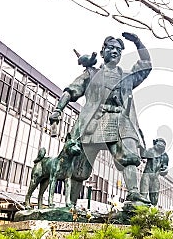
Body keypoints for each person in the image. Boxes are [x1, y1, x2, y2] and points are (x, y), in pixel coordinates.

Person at [49, 32, 152, 206]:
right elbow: (70, 91)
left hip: (119, 121)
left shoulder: (127, 77)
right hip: (93, 122)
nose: (115, 51)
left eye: (118, 49)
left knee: (129, 157)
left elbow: (146, 64)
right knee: (79, 165)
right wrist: (58, 109)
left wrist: (138, 42)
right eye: (110, 48)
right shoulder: (91, 74)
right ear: (102, 52)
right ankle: (70, 205)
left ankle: (134, 195)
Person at [139, 138, 169, 206]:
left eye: (163, 144)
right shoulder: (151, 150)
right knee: (143, 194)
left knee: (155, 198)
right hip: (147, 174)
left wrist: (165, 170)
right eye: (160, 143)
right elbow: (143, 155)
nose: (162, 145)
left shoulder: (164, 156)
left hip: (155, 177)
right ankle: (142, 209)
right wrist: (141, 147)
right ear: (156, 143)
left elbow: (165, 167)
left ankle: (153, 211)